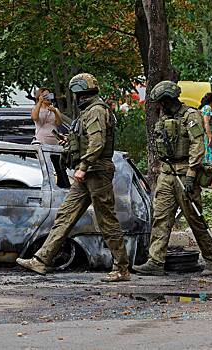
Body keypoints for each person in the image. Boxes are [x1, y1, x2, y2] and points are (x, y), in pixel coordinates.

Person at [17, 73, 131, 283]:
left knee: (107, 220)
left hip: (96, 173)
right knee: (65, 215)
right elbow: (86, 140)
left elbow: (97, 143)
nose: (76, 98)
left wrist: (84, 166)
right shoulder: (88, 112)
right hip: (87, 173)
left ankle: (121, 268)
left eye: (77, 95)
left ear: (81, 93)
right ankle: (42, 259)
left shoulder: (96, 111)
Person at [133, 81, 212, 277]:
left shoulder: (191, 116)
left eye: (161, 102)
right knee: (161, 218)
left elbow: (198, 146)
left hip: (185, 173)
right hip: (167, 173)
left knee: (195, 219)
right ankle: (155, 261)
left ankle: (211, 260)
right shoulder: (164, 119)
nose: (159, 106)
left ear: (167, 100)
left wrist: (191, 175)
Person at [199, 93, 212, 189]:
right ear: (211, 100)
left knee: (209, 159)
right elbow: (206, 122)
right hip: (210, 139)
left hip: (208, 138)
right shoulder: (207, 108)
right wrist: (210, 136)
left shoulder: (204, 108)